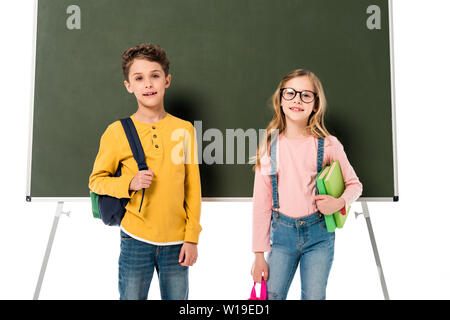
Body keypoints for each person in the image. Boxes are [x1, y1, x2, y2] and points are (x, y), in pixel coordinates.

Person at [89, 43, 201, 300]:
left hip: (177, 242)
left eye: (154, 76)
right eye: (139, 78)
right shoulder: (116, 132)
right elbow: (96, 181)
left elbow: (192, 187)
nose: (148, 84)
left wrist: (192, 237)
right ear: (129, 85)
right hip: (135, 238)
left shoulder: (184, 130)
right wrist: (128, 183)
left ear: (167, 80)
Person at [251, 69, 363, 300]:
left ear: (315, 104)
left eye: (305, 95)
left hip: (319, 235)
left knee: (313, 296)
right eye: (290, 93)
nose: (297, 100)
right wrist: (259, 255)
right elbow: (261, 205)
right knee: (271, 296)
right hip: (282, 236)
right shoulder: (269, 148)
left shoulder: (329, 145)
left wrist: (339, 202)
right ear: (280, 100)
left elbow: (354, 185)